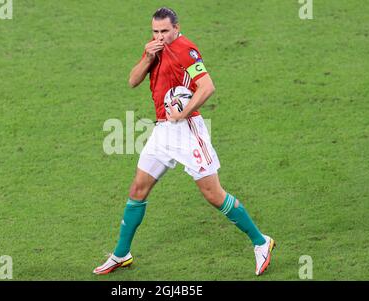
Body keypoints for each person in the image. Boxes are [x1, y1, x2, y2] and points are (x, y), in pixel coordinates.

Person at [93, 7, 275, 276]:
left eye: (165, 31)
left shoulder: (185, 49)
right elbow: (132, 81)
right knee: (138, 189)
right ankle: (121, 254)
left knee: (213, 194)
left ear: (177, 28)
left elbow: (207, 86)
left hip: (187, 129)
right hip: (162, 131)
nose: (160, 36)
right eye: (155, 31)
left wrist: (184, 112)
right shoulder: (154, 48)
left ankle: (261, 242)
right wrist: (148, 56)